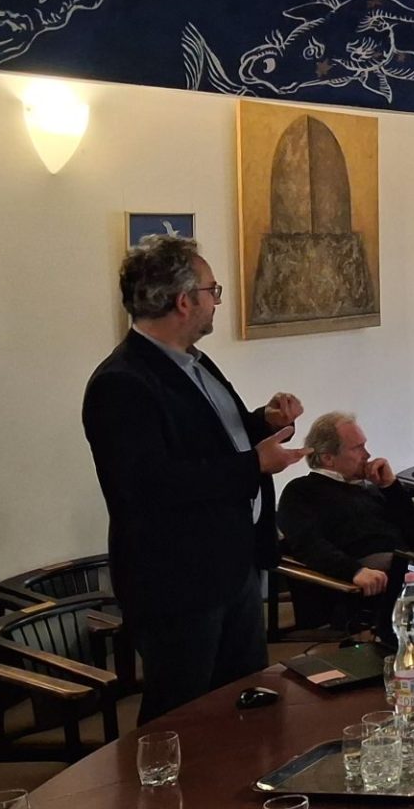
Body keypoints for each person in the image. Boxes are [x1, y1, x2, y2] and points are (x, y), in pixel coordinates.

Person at [81, 235, 308, 724]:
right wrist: (253, 465)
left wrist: (262, 422)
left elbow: (213, 441)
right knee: (182, 717)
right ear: (184, 301)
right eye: (212, 291)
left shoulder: (195, 363)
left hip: (234, 562)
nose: (216, 302)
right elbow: (149, 485)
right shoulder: (121, 383)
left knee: (245, 703)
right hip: (179, 580)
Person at [278, 412, 414, 631]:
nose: (367, 455)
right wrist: (355, 571)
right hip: (367, 567)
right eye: (357, 448)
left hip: (403, 561)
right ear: (328, 458)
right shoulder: (301, 491)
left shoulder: (369, 488)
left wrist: (390, 486)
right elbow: (308, 544)